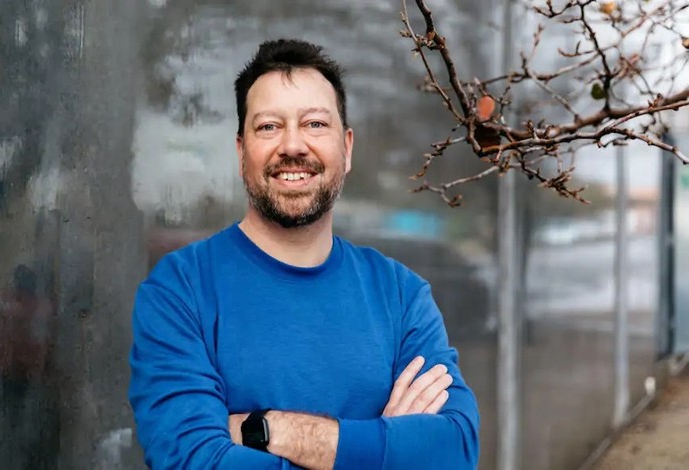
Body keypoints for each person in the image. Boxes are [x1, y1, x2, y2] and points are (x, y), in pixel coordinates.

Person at [128, 39, 480, 469]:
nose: (293, 146)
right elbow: (196, 461)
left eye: (314, 124)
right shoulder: (180, 290)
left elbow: (455, 449)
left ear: (347, 149)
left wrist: (273, 430)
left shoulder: (400, 295)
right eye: (269, 126)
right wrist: (381, 450)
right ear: (241, 153)